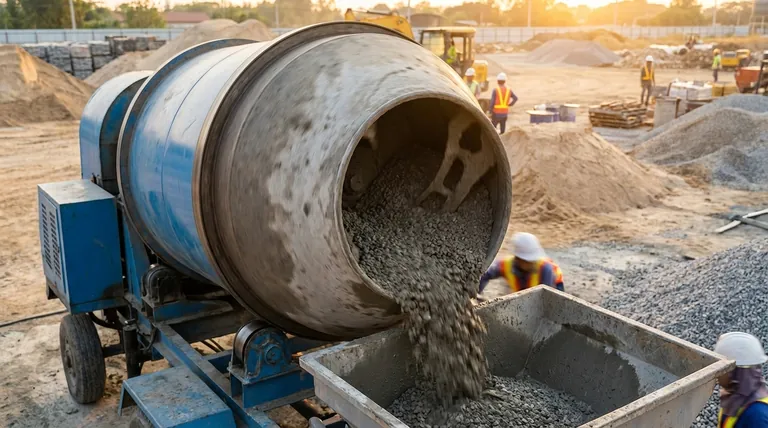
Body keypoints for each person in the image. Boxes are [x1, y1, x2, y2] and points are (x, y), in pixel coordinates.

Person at [477, 232, 564, 298]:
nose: (532, 263)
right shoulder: (506, 265)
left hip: (556, 284)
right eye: (528, 261)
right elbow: (485, 275)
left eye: (533, 260)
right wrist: (475, 293)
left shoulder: (545, 270)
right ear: (518, 259)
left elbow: (545, 299)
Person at [714, 332, 768, 427]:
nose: (716, 373)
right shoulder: (735, 398)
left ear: (734, 372)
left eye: (720, 368)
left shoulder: (757, 416)